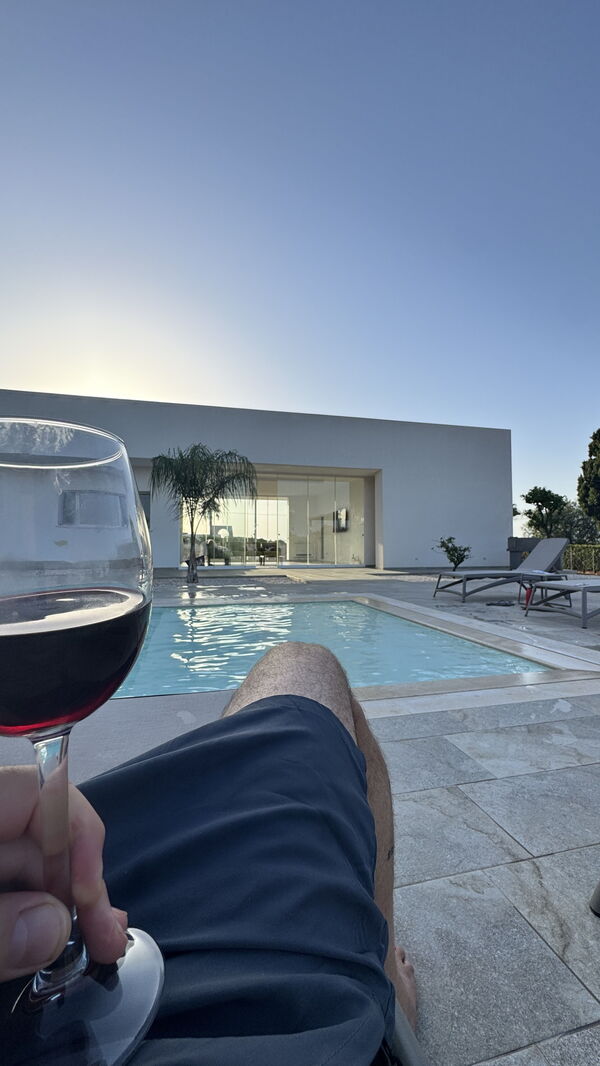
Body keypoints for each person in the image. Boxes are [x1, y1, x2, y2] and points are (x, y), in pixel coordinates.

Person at [0, 643, 416, 1064]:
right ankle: (389, 994)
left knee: (71, 833)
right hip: (271, 1035)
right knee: (305, 668)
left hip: (73, 915)